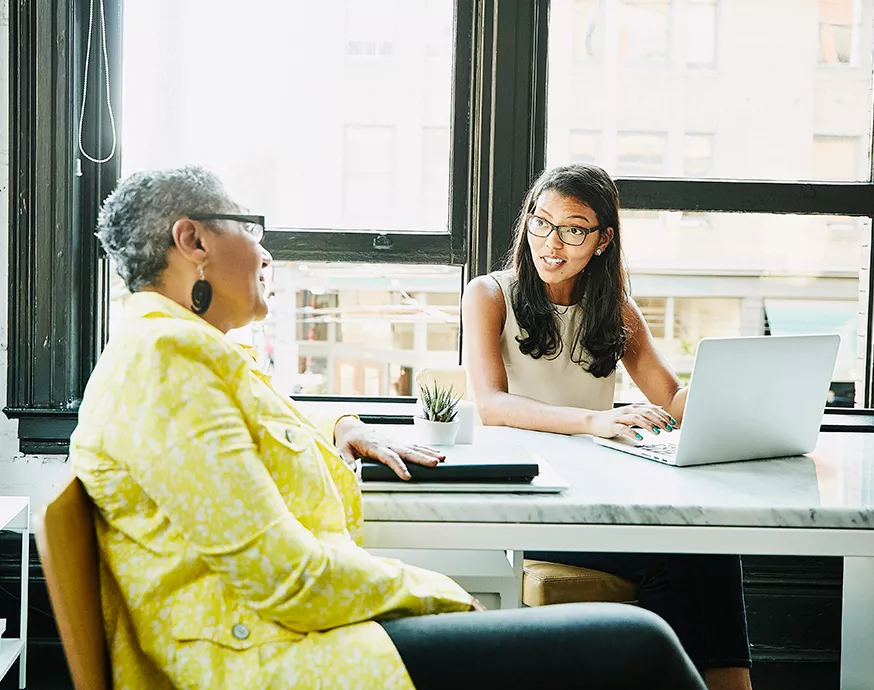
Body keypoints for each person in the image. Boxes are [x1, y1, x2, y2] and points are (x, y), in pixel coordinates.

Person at [70, 166, 707, 690]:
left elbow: (261, 421)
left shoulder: (179, 348)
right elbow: (283, 578)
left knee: (642, 632)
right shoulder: (168, 362)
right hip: (269, 656)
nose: (265, 251)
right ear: (193, 241)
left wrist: (344, 422)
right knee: (639, 642)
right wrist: (440, 594)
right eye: (250, 228)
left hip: (288, 633)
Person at [462, 163, 753, 690]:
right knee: (679, 558)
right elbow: (492, 405)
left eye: (573, 229)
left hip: (594, 497)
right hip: (528, 499)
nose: (552, 243)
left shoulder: (615, 307)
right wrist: (595, 421)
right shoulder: (489, 294)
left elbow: (671, 399)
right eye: (541, 223)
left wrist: (742, 391)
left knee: (708, 542)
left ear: (601, 241)